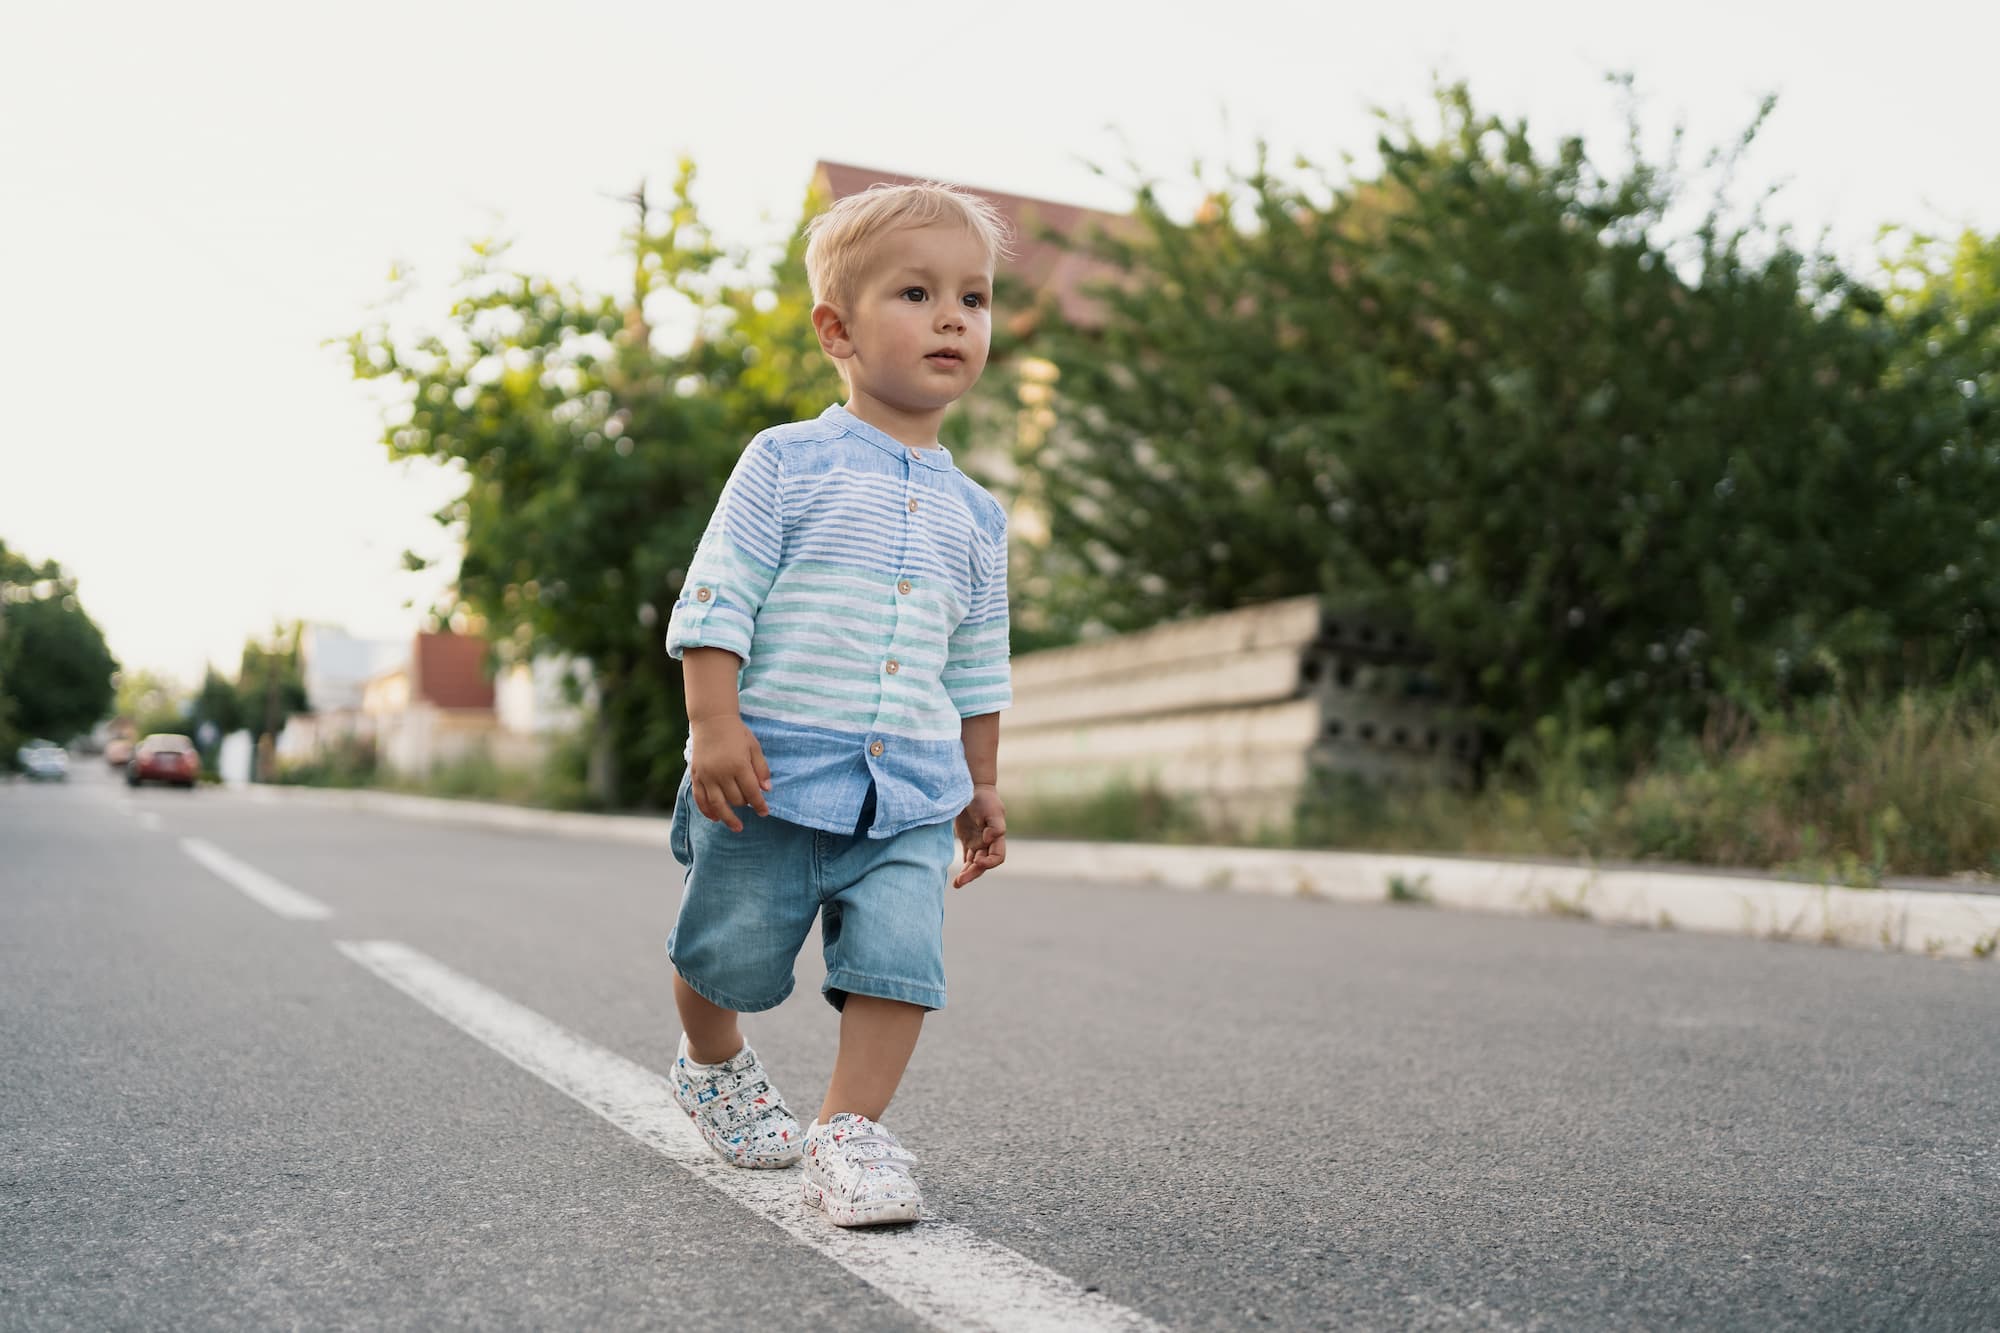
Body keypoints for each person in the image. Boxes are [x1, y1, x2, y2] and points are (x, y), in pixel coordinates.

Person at [661, 181, 1013, 1227]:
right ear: (837, 330)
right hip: (771, 774)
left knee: (901, 961)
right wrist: (713, 725)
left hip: (907, 788)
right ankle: (709, 1060)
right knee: (720, 954)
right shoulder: (786, 462)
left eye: (974, 298)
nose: (953, 317)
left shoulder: (978, 517)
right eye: (916, 292)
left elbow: (978, 665)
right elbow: (717, 596)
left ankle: (848, 1133)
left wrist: (980, 781)